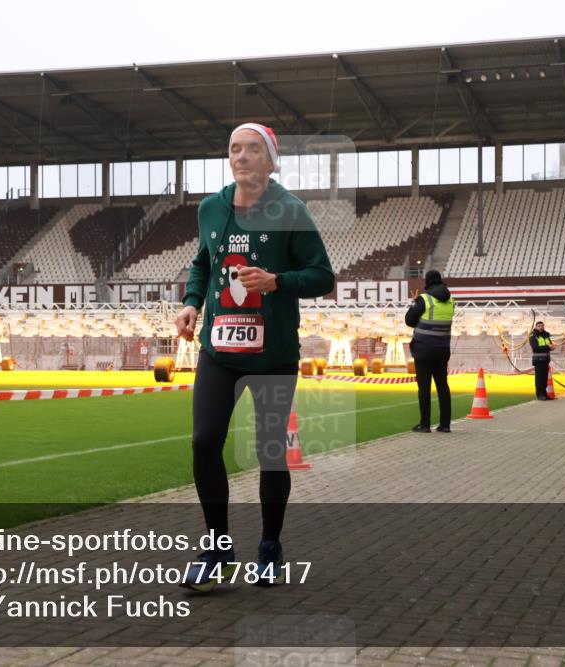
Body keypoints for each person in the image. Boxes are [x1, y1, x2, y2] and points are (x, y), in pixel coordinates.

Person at [174, 122, 334, 592]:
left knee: (270, 452)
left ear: (269, 159)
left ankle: (269, 546)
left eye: (251, 149)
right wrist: (192, 301)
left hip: (273, 354)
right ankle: (218, 548)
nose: (240, 157)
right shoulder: (210, 208)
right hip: (219, 351)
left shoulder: (292, 210)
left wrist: (277, 281)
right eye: (234, 149)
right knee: (205, 442)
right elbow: (203, 261)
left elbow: (322, 276)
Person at [405, 270, 455, 433]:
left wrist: (414, 303)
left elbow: (409, 320)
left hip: (424, 350)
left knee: (424, 388)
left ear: (427, 282)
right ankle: (445, 425)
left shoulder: (424, 299)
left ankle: (425, 424)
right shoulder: (451, 300)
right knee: (443, 387)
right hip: (442, 350)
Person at [529, 321, 556, 401]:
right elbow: (535, 348)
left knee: (544, 379)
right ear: (536, 327)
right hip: (538, 360)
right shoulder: (533, 336)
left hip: (546, 360)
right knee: (539, 379)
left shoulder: (546, 336)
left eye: (542, 326)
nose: (541, 327)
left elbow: (549, 345)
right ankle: (540, 395)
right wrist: (548, 347)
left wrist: (552, 347)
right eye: (539, 326)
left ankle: (545, 394)